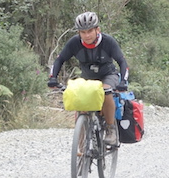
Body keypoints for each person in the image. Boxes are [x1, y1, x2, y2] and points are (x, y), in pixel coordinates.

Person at [48, 12, 129, 146]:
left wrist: (123, 82)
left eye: (90, 31)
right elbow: (59, 60)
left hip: (108, 75)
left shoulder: (108, 42)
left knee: (106, 92)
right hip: (88, 78)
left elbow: (122, 61)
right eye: (83, 32)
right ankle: (80, 146)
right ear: (79, 33)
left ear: (97, 30)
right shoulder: (74, 43)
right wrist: (53, 78)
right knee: (81, 103)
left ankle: (111, 130)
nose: (87, 35)